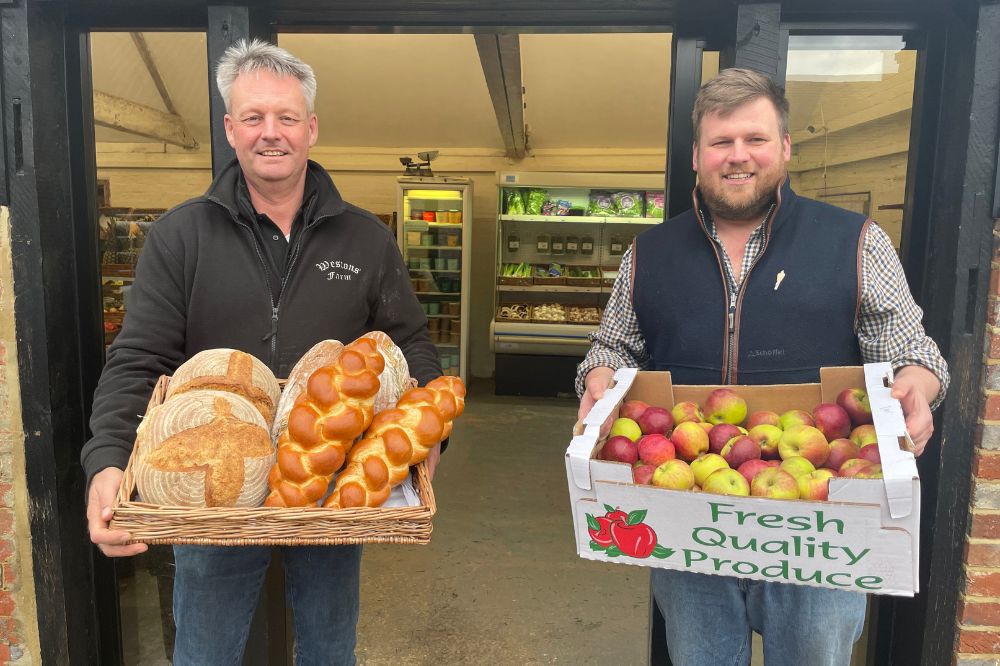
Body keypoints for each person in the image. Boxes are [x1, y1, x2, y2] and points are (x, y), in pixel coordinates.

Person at [82, 39, 442, 665]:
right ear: (229, 128)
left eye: (285, 117)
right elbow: (138, 359)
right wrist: (109, 461)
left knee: (329, 650)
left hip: (328, 475)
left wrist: (429, 435)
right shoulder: (181, 235)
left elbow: (409, 343)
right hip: (211, 480)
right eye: (253, 117)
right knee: (206, 652)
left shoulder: (365, 237)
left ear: (312, 127)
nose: (269, 133)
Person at [576, 68, 949, 666]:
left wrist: (917, 385)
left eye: (755, 139)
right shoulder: (649, 254)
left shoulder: (854, 241)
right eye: (721, 142)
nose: (738, 156)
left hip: (821, 527)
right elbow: (613, 349)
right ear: (696, 156)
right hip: (689, 518)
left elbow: (915, 352)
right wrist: (599, 376)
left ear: (785, 149)